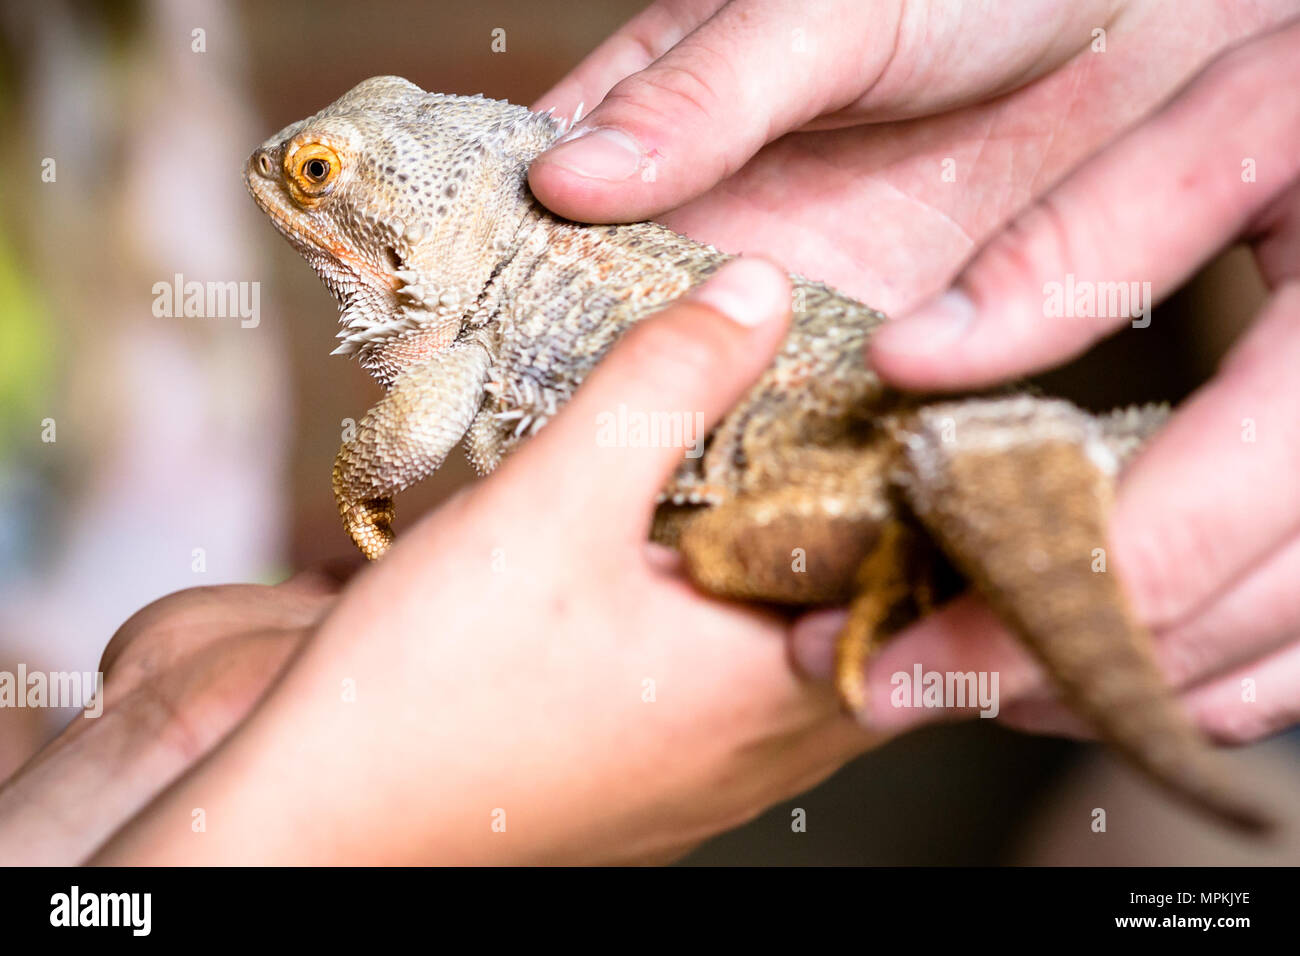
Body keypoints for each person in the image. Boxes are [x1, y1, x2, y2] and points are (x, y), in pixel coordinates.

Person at [3, 0, 1297, 864]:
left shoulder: (453, 335)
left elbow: (412, 429)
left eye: (324, 175)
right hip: (951, 418)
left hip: (859, 458)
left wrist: (363, 488)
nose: (291, 167)